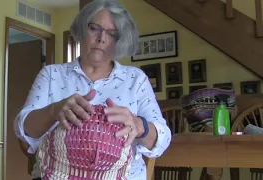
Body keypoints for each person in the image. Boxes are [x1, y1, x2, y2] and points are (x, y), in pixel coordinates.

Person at [14, 0, 172, 179]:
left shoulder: (135, 79)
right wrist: (54, 111)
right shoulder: (52, 75)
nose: (102, 38)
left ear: (120, 40)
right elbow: (23, 133)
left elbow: (163, 139)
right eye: (94, 28)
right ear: (82, 29)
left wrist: (139, 125)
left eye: (112, 33)